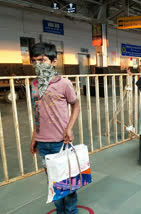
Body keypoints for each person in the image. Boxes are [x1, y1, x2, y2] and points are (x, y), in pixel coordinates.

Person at [29, 43, 80, 214]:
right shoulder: (34, 85)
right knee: (53, 183)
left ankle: (71, 211)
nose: (38, 64)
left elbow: (76, 105)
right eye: (34, 61)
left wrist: (70, 128)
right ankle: (60, 211)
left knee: (67, 182)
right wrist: (34, 138)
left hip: (61, 142)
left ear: (53, 61)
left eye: (42, 60)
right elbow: (37, 114)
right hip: (43, 144)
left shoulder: (64, 83)